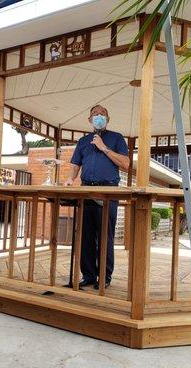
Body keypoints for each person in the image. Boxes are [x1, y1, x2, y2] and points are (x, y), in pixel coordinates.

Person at [64, 105, 129, 289]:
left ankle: (104, 277)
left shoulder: (116, 138)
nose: (99, 117)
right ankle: (89, 275)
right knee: (85, 236)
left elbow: (125, 163)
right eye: (95, 114)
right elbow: (76, 165)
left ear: (108, 119)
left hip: (107, 192)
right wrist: (70, 179)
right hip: (86, 192)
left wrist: (104, 148)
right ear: (89, 119)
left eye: (102, 114)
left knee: (104, 237)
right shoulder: (83, 141)